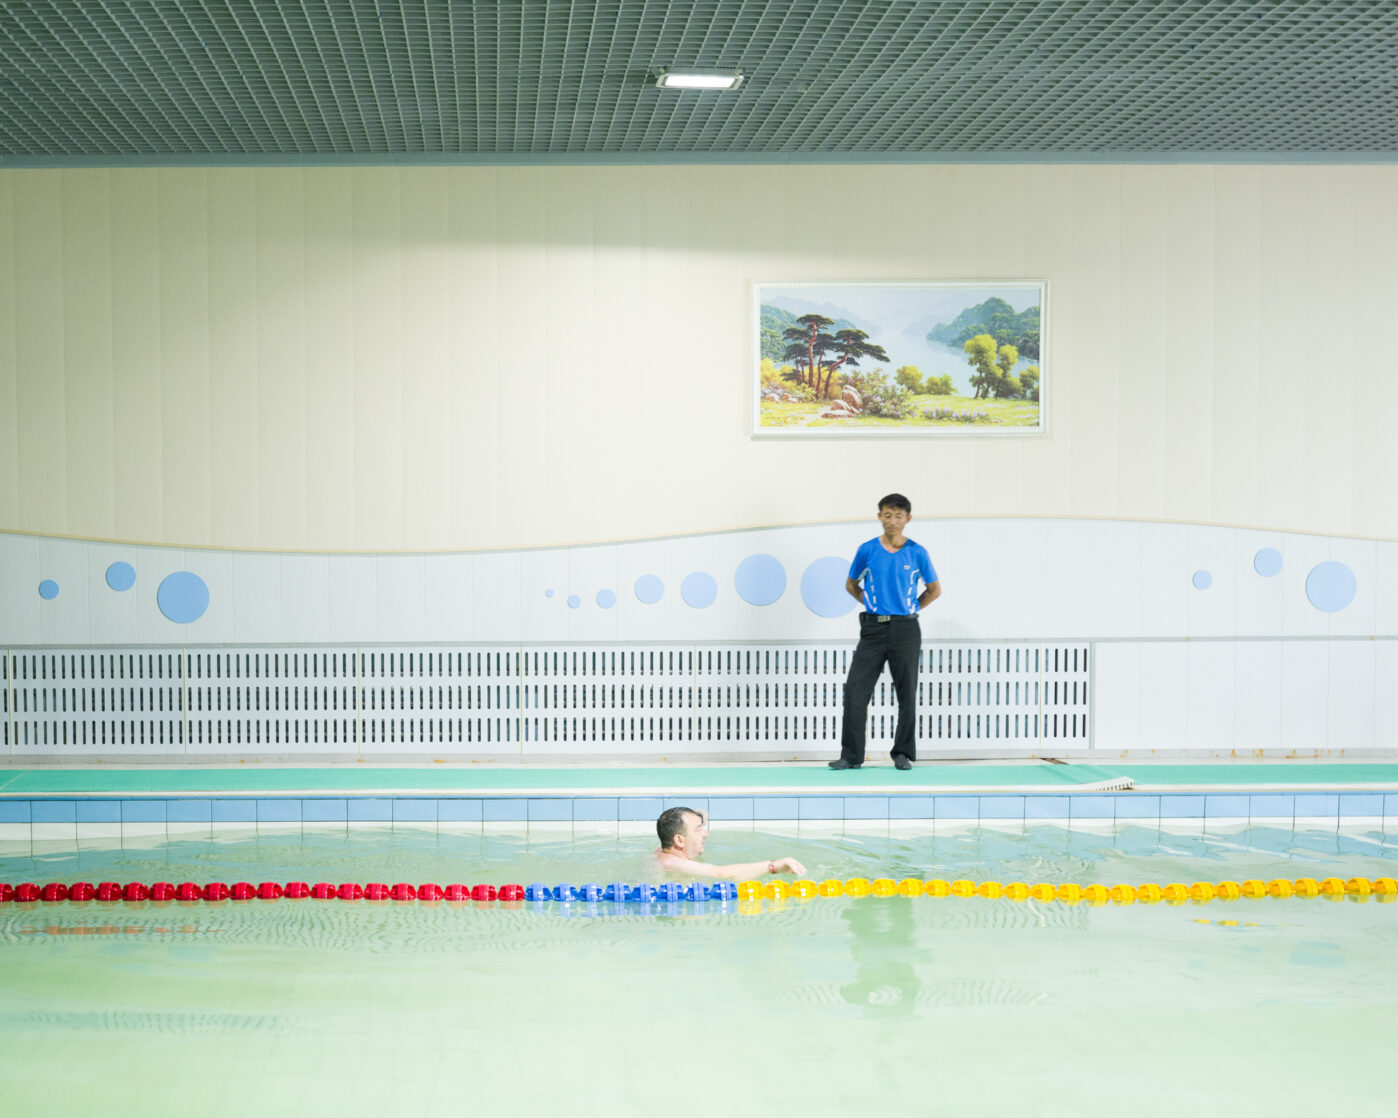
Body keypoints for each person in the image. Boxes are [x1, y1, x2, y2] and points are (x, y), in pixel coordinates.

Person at [830, 493, 941, 771]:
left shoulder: (917, 552)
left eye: (898, 516)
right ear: (879, 516)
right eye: (887, 515)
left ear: (908, 519)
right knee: (855, 691)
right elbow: (851, 584)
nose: (893, 521)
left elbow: (934, 589)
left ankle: (902, 753)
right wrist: (870, 604)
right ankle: (851, 756)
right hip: (873, 628)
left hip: (906, 628)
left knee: (907, 693)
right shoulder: (867, 549)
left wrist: (911, 606)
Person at [652, 806, 807, 879]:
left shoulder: (662, 850)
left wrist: (696, 819)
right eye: (699, 829)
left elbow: (670, 829)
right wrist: (773, 866)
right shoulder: (676, 865)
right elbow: (722, 873)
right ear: (679, 840)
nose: (706, 834)